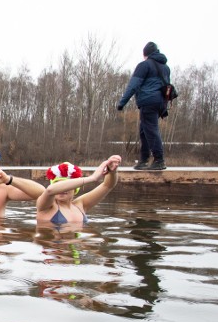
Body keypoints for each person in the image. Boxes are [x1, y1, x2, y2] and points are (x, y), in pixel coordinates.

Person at [117, 42, 171, 170]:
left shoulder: (144, 65)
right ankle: (143, 160)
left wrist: (122, 102)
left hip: (148, 101)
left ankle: (159, 160)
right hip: (160, 102)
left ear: (145, 54)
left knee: (150, 129)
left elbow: (134, 84)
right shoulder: (165, 67)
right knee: (144, 130)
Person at [36, 155, 121, 225]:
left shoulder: (81, 204)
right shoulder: (46, 206)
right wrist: (92, 178)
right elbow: (50, 191)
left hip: (75, 244)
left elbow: (107, 185)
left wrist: (112, 171)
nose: (61, 190)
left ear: (75, 188)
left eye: (67, 185)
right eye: (58, 185)